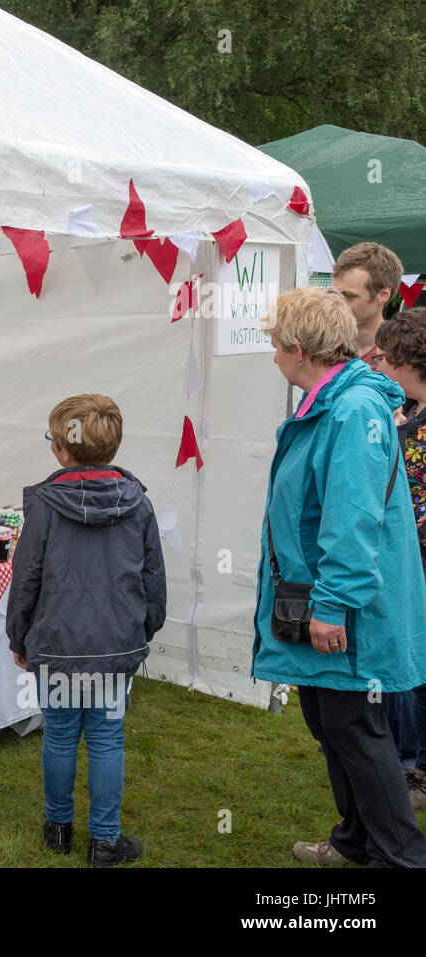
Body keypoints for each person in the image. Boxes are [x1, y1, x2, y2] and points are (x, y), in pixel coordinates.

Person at [254, 287, 426, 867]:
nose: (272, 354)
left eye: (276, 344)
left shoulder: (352, 412)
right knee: (333, 725)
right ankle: (357, 842)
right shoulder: (335, 403)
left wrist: (331, 604)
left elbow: (353, 521)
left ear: (299, 349)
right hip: (321, 599)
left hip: (345, 608)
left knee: (356, 730)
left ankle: (401, 857)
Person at [5, 393, 165, 867]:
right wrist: (145, 628)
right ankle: (103, 839)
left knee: (59, 734)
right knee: (106, 738)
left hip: (58, 642)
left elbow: (24, 577)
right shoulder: (137, 504)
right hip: (114, 642)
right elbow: (153, 577)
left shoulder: (48, 507)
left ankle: (60, 828)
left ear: (62, 449)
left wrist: (19, 637)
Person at [372, 306, 426, 810]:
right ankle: (416, 769)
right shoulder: (411, 412)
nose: (381, 367)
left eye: (387, 358)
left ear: (410, 357)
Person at [330, 242, 403, 363]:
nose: (336, 303)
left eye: (348, 296)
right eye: (333, 294)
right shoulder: (320, 348)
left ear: (382, 295)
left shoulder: (401, 357)